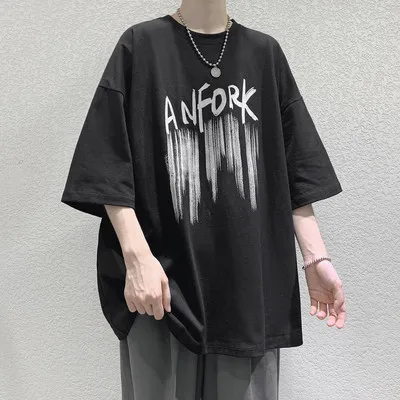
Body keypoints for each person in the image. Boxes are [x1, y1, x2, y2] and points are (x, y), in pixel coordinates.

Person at [61, 1, 347, 399]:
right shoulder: (141, 46)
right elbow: (106, 163)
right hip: (162, 294)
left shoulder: (264, 54)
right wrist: (137, 259)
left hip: (248, 296)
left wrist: (317, 259)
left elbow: (297, 168)